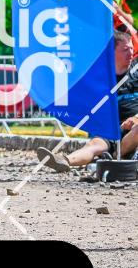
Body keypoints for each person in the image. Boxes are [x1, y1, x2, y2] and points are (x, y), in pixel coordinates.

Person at [38, 30, 138, 171]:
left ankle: (117, 156)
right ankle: (64, 161)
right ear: (111, 52)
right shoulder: (98, 77)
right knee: (94, 145)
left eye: (132, 48)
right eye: (125, 49)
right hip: (109, 128)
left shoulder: (136, 70)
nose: (131, 53)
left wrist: (135, 118)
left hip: (134, 128)